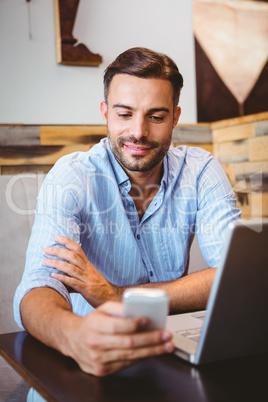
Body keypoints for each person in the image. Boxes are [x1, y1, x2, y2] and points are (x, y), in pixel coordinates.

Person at [14, 47, 241, 382]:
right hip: (83, 368)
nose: (139, 132)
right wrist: (73, 336)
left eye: (156, 116)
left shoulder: (201, 169)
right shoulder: (72, 176)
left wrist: (120, 296)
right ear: (105, 112)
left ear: (175, 117)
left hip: (169, 361)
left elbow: (233, 274)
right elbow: (37, 286)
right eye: (124, 114)